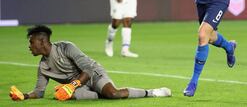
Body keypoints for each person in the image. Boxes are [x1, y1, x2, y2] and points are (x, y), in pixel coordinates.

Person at [9, 25, 171, 101]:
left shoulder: (66, 47)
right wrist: (24, 96)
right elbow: (39, 91)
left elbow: (87, 69)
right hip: (79, 85)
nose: (29, 46)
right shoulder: (43, 66)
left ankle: (153, 92)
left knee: (113, 94)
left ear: (42, 41)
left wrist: (72, 86)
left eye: (31, 43)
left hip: (92, 74)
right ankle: (97, 93)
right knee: (62, 96)